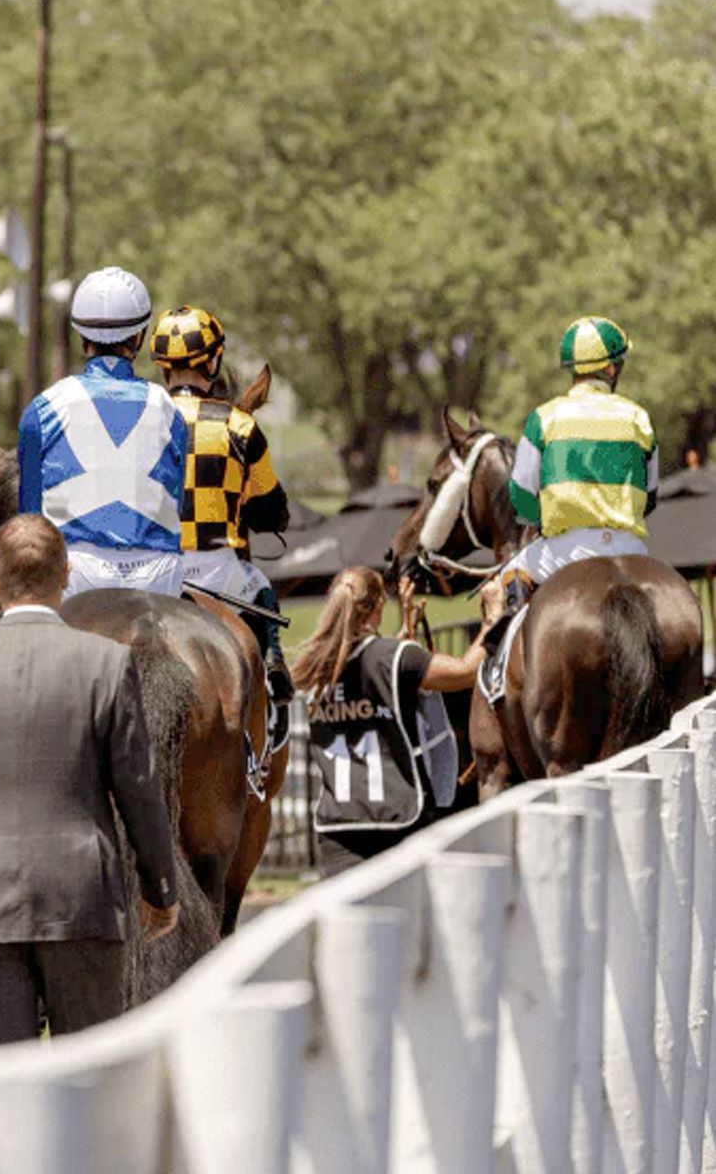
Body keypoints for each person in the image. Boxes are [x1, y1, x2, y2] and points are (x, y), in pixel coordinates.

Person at [0, 515, 179, 1046]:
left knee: (3, 1073)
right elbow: (138, 786)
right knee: (85, 1071)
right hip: (82, 898)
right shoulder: (105, 663)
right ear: (66, 576)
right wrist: (161, 887)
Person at [151, 305, 295, 745]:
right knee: (261, 589)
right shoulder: (240, 425)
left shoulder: (143, 420)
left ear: (162, 368)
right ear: (212, 363)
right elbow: (274, 512)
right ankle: (273, 670)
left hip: (152, 570)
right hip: (220, 572)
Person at [292, 566, 498, 873]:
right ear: (377, 606)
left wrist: (404, 637)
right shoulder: (397, 657)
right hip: (397, 820)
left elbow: (373, 670)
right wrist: (493, 618)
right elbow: (465, 672)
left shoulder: (313, 668)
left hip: (337, 829)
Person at [16, 267, 190, 600]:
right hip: (159, 574)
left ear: (81, 337)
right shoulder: (168, 408)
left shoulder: (43, 408)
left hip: (77, 574)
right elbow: (176, 503)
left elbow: (30, 523)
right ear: (140, 337)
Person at [496, 316, 658, 604]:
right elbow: (650, 499)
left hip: (562, 551)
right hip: (630, 550)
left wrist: (542, 520)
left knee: (508, 576)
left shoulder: (543, 418)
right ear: (611, 367)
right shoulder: (639, 418)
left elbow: (520, 493)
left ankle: (502, 642)